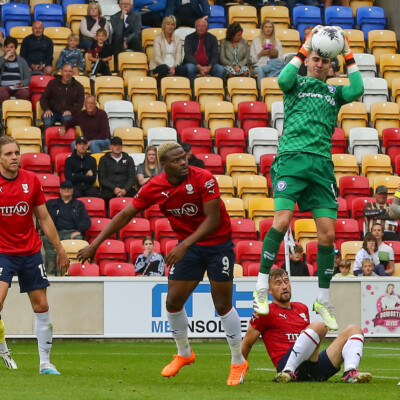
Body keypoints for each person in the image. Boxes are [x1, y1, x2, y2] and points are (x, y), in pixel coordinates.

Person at [78, 141, 249, 385]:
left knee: (222, 305)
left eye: (184, 157)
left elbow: (212, 220)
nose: (183, 162)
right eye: (177, 160)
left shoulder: (204, 178)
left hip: (217, 244)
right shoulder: (154, 186)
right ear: (163, 164)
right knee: (172, 301)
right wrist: (95, 244)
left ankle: (237, 360)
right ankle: (184, 353)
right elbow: (126, 214)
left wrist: (183, 244)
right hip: (189, 246)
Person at [253, 26, 364, 331]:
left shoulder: (334, 92)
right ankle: (261, 287)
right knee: (281, 221)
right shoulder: (296, 84)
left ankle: (323, 299)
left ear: (330, 66)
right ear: (308, 61)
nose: (318, 64)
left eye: (323, 61)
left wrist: (347, 50)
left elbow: (357, 89)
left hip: (321, 167)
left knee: (327, 236)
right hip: (291, 159)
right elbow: (283, 79)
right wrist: (306, 45)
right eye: (314, 59)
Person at [0, 136, 69, 374]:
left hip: (30, 251)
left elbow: (44, 218)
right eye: (8, 154)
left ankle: (45, 363)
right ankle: (2, 347)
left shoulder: (31, 180)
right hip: (2, 253)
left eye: (16, 153)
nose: (14, 157)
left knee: (42, 306)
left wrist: (60, 249)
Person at [242, 268, 372, 383]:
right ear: (269, 290)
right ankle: (288, 372)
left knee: (354, 329)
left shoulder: (301, 308)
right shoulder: (265, 312)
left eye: (286, 281)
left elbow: (310, 344)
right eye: (278, 283)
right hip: (285, 364)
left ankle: (350, 372)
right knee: (319, 326)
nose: (284, 286)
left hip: (311, 366)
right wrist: (238, 370)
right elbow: (247, 342)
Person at [42, 180, 91, 276]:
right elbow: (43, 217)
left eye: (69, 188)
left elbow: (86, 221)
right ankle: (52, 265)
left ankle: (76, 267)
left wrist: (79, 231)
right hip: (56, 233)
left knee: (79, 238)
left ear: (72, 190)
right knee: (46, 238)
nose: (66, 190)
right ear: (60, 190)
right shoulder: (52, 204)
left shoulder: (79, 204)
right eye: (64, 188)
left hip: (72, 233)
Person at [40, 64, 85, 129]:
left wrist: (71, 111)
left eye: (70, 71)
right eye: (65, 71)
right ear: (61, 72)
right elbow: (43, 98)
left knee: (68, 121)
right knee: (48, 122)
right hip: (52, 112)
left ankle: (65, 138)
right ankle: (49, 138)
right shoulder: (52, 83)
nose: (68, 73)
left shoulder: (79, 87)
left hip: (68, 113)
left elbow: (80, 104)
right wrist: (47, 109)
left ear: (72, 73)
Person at [183, 18, 224, 88]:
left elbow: (215, 55)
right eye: (199, 26)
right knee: (190, 68)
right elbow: (188, 55)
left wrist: (209, 67)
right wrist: (199, 67)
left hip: (209, 66)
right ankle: (193, 92)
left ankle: (216, 90)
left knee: (220, 69)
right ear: (195, 27)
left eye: (203, 26)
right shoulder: (189, 38)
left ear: (207, 27)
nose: (201, 28)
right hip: (194, 65)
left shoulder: (213, 38)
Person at [98, 136, 137, 206]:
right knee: (104, 196)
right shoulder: (104, 159)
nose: (118, 147)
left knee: (137, 197)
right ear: (110, 147)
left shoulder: (129, 159)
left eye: (119, 145)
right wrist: (114, 188)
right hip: (109, 189)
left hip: (126, 189)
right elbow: (102, 179)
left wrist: (125, 189)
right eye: (115, 145)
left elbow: (132, 177)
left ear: (122, 147)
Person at [149, 15, 186, 83]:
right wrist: (168, 67)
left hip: (173, 66)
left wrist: (174, 67)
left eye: (172, 25)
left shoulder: (178, 39)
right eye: (168, 24)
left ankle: (181, 89)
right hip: (160, 65)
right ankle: (159, 89)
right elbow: (157, 57)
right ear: (164, 26)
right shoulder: (157, 38)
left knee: (183, 69)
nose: (170, 27)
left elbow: (179, 56)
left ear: (174, 26)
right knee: (164, 68)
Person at [250, 19, 283, 89]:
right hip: (259, 65)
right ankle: (261, 92)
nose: (268, 29)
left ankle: (276, 91)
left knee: (279, 70)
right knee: (261, 70)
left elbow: (281, 58)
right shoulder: (256, 41)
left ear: (273, 29)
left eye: (270, 27)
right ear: (262, 28)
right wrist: (261, 54)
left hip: (273, 65)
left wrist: (274, 55)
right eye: (266, 27)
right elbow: (251, 60)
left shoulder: (277, 41)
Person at [110, 0, 143, 67]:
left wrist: (126, 41)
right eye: (123, 4)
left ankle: (140, 64)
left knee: (136, 40)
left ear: (131, 6)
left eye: (127, 4)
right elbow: (117, 32)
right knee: (116, 38)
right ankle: (117, 65)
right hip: (119, 40)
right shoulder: (113, 17)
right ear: (119, 6)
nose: (125, 6)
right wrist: (121, 17)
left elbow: (137, 32)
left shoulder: (137, 15)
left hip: (131, 39)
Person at [0, 36, 30, 102]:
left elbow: (28, 78)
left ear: (15, 48)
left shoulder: (22, 61)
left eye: (11, 47)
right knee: (1, 92)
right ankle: (5, 110)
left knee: (24, 93)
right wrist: (5, 58)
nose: (9, 49)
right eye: (7, 47)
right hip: (4, 87)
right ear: (4, 48)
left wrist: (22, 84)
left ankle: (20, 111)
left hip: (17, 87)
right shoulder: (1, 59)